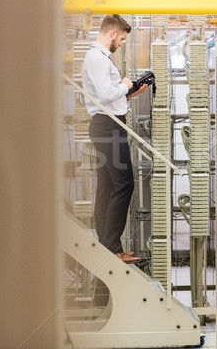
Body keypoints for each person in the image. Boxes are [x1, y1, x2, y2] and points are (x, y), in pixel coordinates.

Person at [81, 14, 148, 263]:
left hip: (108, 122)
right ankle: (111, 247)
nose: (120, 43)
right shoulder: (97, 58)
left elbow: (107, 98)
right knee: (125, 184)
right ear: (112, 33)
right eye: (121, 38)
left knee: (108, 187)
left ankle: (108, 245)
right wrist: (125, 83)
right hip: (108, 127)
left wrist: (128, 93)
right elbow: (106, 93)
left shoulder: (100, 58)